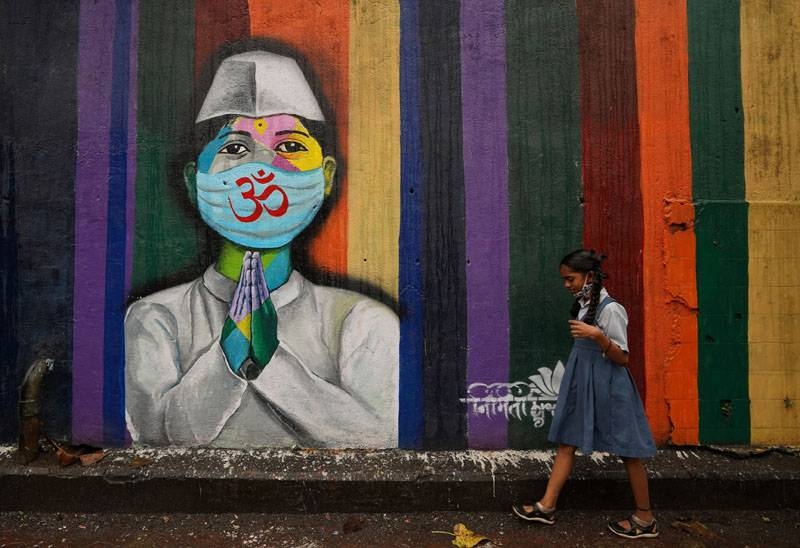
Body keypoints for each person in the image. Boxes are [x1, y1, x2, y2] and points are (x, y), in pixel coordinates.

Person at [124, 50, 399, 448]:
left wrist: (272, 362)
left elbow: (378, 438)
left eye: (290, 147)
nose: (263, 168)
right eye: (235, 149)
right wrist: (226, 360)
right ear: (194, 181)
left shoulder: (361, 321)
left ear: (325, 177)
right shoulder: (154, 318)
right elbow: (155, 438)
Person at [512, 249, 659, 539]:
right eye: (564, 280)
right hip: (583, 381)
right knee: (568, 439)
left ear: (589, 276)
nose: (566, 285)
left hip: (610, 385)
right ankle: (546, 506)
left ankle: (645, 519)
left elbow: (623, 358)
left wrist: (598, 336)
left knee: (629, 450)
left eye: (571, 279)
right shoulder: (584, 305)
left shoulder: (611, 309)